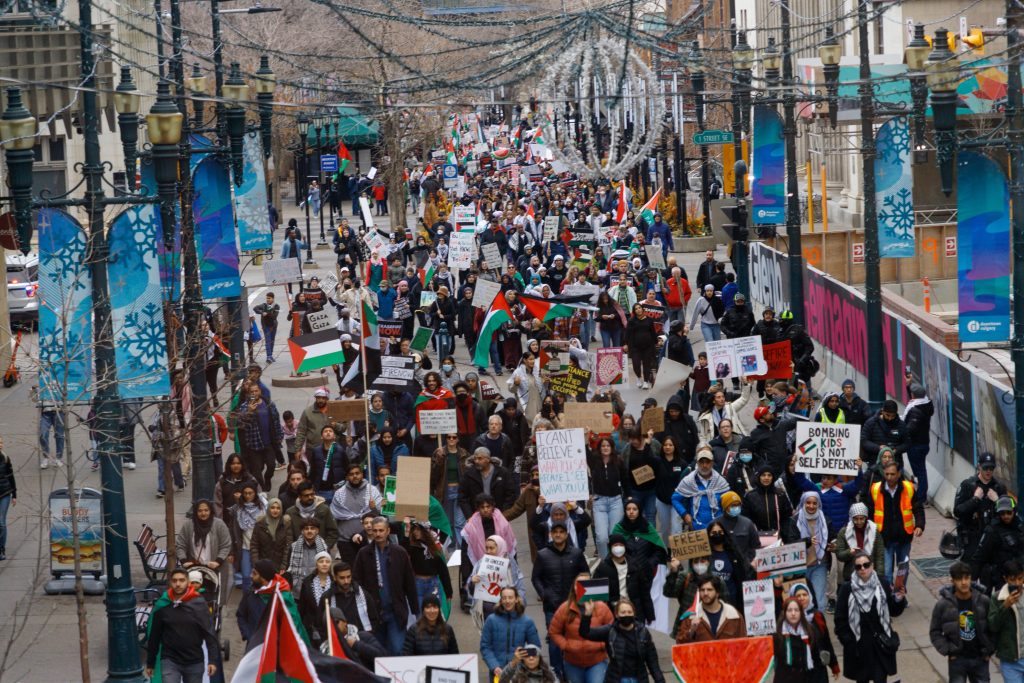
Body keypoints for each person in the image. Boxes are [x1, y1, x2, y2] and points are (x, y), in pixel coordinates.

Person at [833, 550, 907, 683]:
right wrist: (847, 641)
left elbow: (894, 611)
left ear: (872, 566)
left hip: (879, 646)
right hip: (858, 649)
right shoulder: (847, 589)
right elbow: (840, 619)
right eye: (858, 566)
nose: (863, 569)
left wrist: (899, 599)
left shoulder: (883, 584)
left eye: (866, 565)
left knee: (880, 679)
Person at [353, 516, 419, 655]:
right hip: (374, 613)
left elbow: (409, 582)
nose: (378, 534)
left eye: (381, 530)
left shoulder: (399, 553)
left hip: (396, 611)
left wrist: (415, 610)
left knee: (398, 649)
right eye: (375, 530)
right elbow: (357, 582)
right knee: (377, 652)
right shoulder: (364, 553)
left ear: (388, 531)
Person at [531, 520, 589, 675]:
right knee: (555, 641)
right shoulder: (543, 555)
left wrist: (581, 598)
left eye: (561, 532)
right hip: (552, 607)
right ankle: (556, 674)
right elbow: (535, 578)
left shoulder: (576, 554)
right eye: (555, 532)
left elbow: (586, 575)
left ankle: (573, 672)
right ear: (550, 534)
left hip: (574, 606)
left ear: (566, 534)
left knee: (575, 637)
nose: (558, 534)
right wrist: (544, 594)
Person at [145, 568, 219, 682]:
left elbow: (209, 633)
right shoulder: (163, 606)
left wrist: (213, 661)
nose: (178, 584)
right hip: (170, 660)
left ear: (188, 582)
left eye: (181, 580)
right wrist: (150, 663)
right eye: (174, 581)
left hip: (194, 661)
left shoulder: (199, 604)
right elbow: (154, 636)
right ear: (170, 582)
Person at [929, 560, 994, 683]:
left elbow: (993, 626)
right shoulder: (943, 605)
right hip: (958, 659)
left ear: (971, 578)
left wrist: (989, 649)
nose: (964, 582)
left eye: (966, 578)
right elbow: (935, 631)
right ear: (953, 581)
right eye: (959, 579)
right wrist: (948, 650)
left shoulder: (983, 601)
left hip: (980, 658)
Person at [579, 598, 666, 683]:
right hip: (617, 679)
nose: (626, 615)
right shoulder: (610, 631)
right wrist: (587, 614)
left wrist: (660, 680)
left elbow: (652, 661)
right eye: (623, 612)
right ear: (617, 615)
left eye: (629, 612)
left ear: (634, 614)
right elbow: (585, 633)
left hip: (639, 679)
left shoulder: (643, 632)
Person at [867, 460, 925, 583]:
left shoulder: (909, 488)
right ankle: (889, 599)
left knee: (902, 571)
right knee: (886, 573)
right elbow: (870, 513)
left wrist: (919, 525)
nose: (889, 477)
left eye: (892, 474)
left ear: (898, 474)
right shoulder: (875, 489)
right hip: (884, 538)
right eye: (886, 474)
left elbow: (918, 508)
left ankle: (900, 597)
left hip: (904, 538)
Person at [548, 573, 612, 683]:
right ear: (574, 587)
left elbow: (612, 630)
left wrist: (601, 645)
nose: (581, 587)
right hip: (573, 662)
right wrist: (566, 645)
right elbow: (554, 631)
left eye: (585, 584)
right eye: (578, 584)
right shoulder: (565, 608)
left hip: (597, 661)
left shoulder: (602, 607)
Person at [782, 491, 835, 614]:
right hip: (800, 568)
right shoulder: (794, 520)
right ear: (803, 503)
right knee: (801, 603)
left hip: (819, 565)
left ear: (818, 505)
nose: (811, 506)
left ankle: (819, 629)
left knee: (820, 602)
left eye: (814, 503)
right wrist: (807, 541)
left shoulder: (825, 520)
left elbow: (832, 537)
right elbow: (790, 543)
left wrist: (833, 544)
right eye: (808, 503)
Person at [954, 452, 1008, 563]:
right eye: (985, 468)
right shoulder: (968, 485)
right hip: (972, 537)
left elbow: (1008, 515)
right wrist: (975, 499)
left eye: (991, 468)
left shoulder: (999, 487)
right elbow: (957, 511)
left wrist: (998, 501)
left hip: (992, 537)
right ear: (979, 466)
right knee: (970, 573)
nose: (988, 471)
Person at [481, 586, 542, 679]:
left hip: (519, 671)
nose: (507, 601)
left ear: (516, 599)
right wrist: (494, 666)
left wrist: (521, 658)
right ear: (501, 600)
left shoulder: (527, 621)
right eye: (504, 598)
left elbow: (535, 647)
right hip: (497, 671)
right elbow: (485, 646)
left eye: (510, 597)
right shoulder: (491, 620)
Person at [593, 534, 655, 625]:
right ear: (610, 548)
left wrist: (650, 615)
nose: (618, 548)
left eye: (621, 545)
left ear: (625, 547)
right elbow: (597, 597)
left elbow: (644, 592)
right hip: (613, 613)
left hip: (635, 612)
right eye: (615, 545)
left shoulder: (635, 565)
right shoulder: (602, 568)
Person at [772, 596, 833, 683]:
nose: (793, 613)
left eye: (796, 610)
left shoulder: (811, 632)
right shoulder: (778, 635)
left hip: (807, 679)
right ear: (784, 613)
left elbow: (817, 661)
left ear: (801, 612)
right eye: (789, 610)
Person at [972, 496, 1024, 593]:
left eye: (1009, 512)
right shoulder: (992, 531)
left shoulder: (1019, 527)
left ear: (1014, 512)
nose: (1006, 516)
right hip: (997, 575)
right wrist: (972, 581)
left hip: (1016, 575)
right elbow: (979, 557)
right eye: (1002, 513)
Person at [675, 574, 747, 642]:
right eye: (702, 590)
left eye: (709, 590)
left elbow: (743, 644)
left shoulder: (734, 615)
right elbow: (680, 643)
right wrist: (691, 631)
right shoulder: (691, 616)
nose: (705, 593)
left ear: (717, 593)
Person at [673, 447, 730, 531]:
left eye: (707, 462)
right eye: (701, 462)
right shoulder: (689, 481)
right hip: (697, 528)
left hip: (718, 527)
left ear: (712, 463)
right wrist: (684, 514)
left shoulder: (720, 481)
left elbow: (728, 499)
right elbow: (675, 499)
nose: (704, 465)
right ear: (697, 463)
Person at [321, 560, 382, 636]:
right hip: (339, 640)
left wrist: (369, 634)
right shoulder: (327, 598)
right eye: (342, 578)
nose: (346, 581)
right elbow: (321, 623)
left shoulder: (363, 594)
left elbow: (374, 618)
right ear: (335, 578)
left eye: (348, 577)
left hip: (363, 638)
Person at [988, 560, 1024, 682]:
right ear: (1006, 579)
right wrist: (1005, 606)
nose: (1017, 583)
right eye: (1013, 580)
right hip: (1010, 661)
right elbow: (993, 625)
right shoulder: (998, 598)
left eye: (1020, 578)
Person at [176, 499, 233, 576]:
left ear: (211, 511)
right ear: (196, 512)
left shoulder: (219, 524)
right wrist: (184, 561)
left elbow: (226, 545)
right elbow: (180, 545)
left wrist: (218, 561)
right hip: (194, 569)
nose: (203, 513)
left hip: (215, 568)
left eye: (206, 510)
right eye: (200, 511)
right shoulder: (188, 525)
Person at [320, 605, 388, 668]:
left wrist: (356, 644)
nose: (333, 627)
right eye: (329, 626)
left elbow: (383, 657)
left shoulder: (362, 636)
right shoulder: (325, 649)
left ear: (345, 622)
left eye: (336, 622)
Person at [834, 502, 886, 583]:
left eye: (862, 518)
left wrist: (879, 576)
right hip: (851, 576)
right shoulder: (844, 532)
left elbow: (879, 555)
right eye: (856, 519)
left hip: (871, 575)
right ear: (851, 518)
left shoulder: (874, 531)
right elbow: (840, 555)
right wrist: (849, 552)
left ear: (866, 518)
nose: (859, 522)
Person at [285, 480, 340, 551]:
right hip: (298, 552)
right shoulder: (291, 512)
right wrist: (293, 549)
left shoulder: (324, 509)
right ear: (300, 496)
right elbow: (288, 536)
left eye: (312, 494)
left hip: (321, 554)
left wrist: (325, 547)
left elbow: (333, 532)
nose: (310, 497)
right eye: (306, 496)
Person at [903, 382, 934, 501]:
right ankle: (921, 493)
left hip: (916, 445)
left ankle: (921, 497)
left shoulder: (915, 410)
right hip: (923, 443)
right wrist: (908, 384)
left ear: (913, 395)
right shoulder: (926, 405)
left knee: (920, 471)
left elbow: (910, 429)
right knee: (921, 470)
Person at [713, 490, 761, 566]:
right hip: (723, 565)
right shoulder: (715, 525)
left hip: (744, 566)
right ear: (725, 507)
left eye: (738, 505)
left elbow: (756, 546)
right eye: (732, 505)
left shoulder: (747, 523)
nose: (736, 508)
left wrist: (749, 560)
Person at [298, 551, 335, 646]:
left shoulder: (335, 583)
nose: (324, 564)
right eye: (321, 561)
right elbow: (302, 606)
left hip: (330, 627)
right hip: (311, 627)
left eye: (327, 561)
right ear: (316, 564)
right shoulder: (307, 583)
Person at [250, 497, 293, 574]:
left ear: (281, 510)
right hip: (263, 564)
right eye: (272, 508)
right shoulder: (260, 524)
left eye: (278, 508)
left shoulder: (286, 524)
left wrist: (284, 565)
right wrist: (256, 564)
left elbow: (288, 547)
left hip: (279, 565)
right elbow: (254, 546)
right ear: (268, 508)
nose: (275, 510)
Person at [861, 400, 908, 466]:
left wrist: (896, 450)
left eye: (893, 416)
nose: (890, 418)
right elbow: (864, 441)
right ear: (882, 411)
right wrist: (878, 448)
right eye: (887, 415)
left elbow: (907, 443)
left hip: (895, 463)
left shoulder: (901, 425)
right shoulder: (871, 423)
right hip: (875, 463)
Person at [309, 425, 349, 503]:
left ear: (334, 436)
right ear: (321, 437)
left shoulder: (340, 450)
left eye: (330, 431)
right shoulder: (316, 451)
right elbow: (313, 470)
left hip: (337, 489)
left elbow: (346, 467)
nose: (328, 432)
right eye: (325, 431)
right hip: (321, 489)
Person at [624, 303, 658, 388]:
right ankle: (639, 377)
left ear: (642, 309)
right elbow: (627, 333)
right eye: (636, 309)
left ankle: (646, 381)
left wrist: (656, 342)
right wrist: (625, 344)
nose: (638, 310)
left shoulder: (649, 320)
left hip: (648, 346)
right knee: (636, 364)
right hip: (635, 347)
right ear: (634, 311)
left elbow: (653, 332)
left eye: (639, 308)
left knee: (647, 364)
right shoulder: (631, 321)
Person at [287, 518, 329, 583]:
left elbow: (328, 569)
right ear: (302, 531)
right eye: (306, 528)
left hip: (317, 585)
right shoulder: (293, 547)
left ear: (317, 530)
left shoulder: (324, 548)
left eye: (312, 528)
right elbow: (288, 568)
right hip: (297, 587)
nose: (309, 531)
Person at [252, 292, 280, 363]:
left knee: (272, 340)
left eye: (269, 298)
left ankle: (271, 355)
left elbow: (274, 316)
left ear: (273, 299)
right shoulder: (264, 305)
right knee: (268, 340)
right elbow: (255, 308)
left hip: (273, 325)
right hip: (266, 325)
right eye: (267, 298)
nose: (267, 300)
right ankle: (268, 356)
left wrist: (267, 313)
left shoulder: (276, 306)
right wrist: (262, 312)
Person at [0, 436, 16, 560]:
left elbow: (11, 476)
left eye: (1, 442)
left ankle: (1, 549)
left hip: (5, 493)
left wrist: (14, 494)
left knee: (1, 522)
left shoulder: (5, 458)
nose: (0, 444)